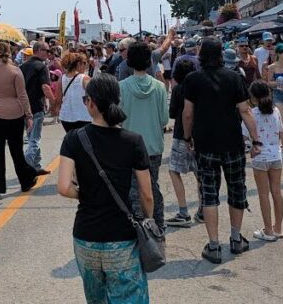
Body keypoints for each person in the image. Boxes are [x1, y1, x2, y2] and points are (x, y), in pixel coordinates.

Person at [57, 73, 153, 304]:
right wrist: (148, 221)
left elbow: (63, 187)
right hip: (121, 237)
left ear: (90, 103)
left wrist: (85, 194)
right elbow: (147, 195)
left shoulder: (73, 139)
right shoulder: (133, 140)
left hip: (85, 236)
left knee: (96, 299)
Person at [181, 37, 261, 264]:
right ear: (221, 55)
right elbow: (245, 111)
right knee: (237, 189)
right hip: (233, 143)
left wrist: (188, 137)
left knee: (209, 193)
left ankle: (214, 245)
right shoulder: (234, 77)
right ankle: (236, 239)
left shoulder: (192, 79)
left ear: (201, 55)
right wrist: (256, 140)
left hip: (205, 144)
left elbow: (187, 114)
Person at [119, 41, 169, 233]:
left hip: (128, 145)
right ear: (149, 61)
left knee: (132, 188)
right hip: (153, 145)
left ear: (129, 62)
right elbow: (164, 119)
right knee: (152, 185)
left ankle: (136, 227)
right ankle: (158, 224)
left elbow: (118, 119)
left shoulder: (121, 87)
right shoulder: (159, 87)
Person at [0, 41, 39, 201]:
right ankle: (25, 181)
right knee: (17, 152)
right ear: (11, 53)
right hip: (14, 114)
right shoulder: (15, 71)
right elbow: (22, 95)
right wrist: (29, 115)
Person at [244, 80, 283, 241]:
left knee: (263, 194)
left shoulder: (251, 113)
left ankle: (267, 230)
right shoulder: (275, 111)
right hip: (276, 155)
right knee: (277, 191)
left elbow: (245, 136)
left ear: (253, 97)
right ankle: (278, 228)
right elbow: (281, 131)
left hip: (260, 156)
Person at [165, 60, 200, 227]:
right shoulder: (200, 88)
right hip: (201, 135)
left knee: (174, 170)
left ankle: (183, 211)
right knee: (199, 174)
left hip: (181, 134)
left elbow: (172, 113)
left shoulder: (179, 89)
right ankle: (202, 210)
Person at [21, 42, 55, 175]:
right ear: (39, 51)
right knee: (34, 140)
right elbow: (45, 87)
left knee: (32, 137)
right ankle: (27, 169)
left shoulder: (23, 67)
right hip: (36, 107)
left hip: (25, 107)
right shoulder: (41, 67)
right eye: (47, 51)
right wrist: (54, 103)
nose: (49, 53)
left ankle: (36, 165)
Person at [58, 52, 92, 133]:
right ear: (78, 64)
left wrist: (54, 108)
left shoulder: (61, 78)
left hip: (66, 117)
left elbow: (58, 99)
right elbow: (94, 94)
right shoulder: (85, 78)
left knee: (73, 141)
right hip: (83, 116)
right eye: (84, 63)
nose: (86, 66)